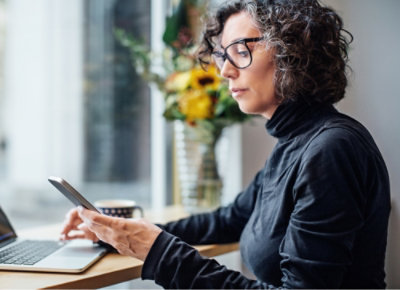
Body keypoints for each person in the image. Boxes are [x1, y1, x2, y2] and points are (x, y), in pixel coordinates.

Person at [60, 0, 391, 288]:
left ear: (292, 50)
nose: (225, 71)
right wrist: (124, 233)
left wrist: (158, 251)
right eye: (222, 55)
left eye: (240, 51)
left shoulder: (331, 149)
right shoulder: (296, 143)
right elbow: (228, 220)